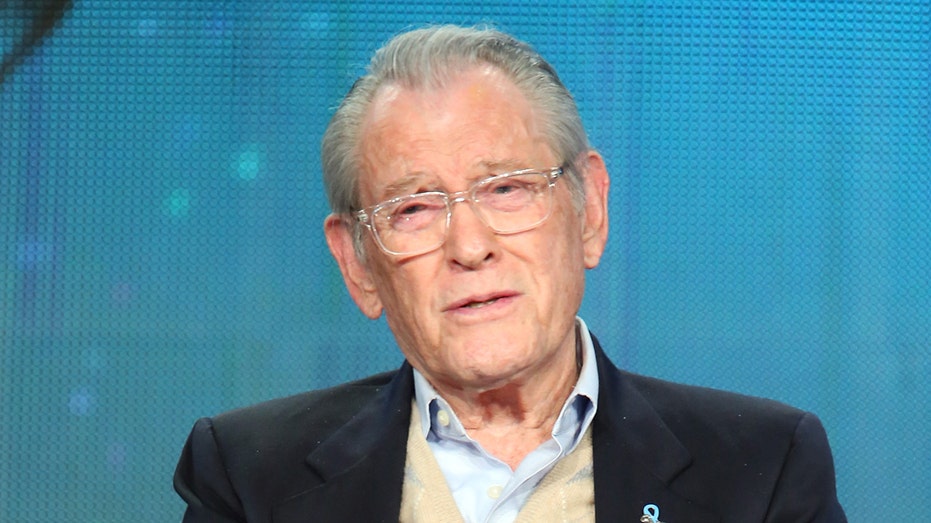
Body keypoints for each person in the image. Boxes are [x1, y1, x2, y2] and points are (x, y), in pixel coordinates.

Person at [173, 25, 847, 523]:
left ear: (589, 211)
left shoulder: (762, 470)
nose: (470, 247)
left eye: (506, 189)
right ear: (358, 264)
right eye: (413, 208)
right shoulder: (248, 477)